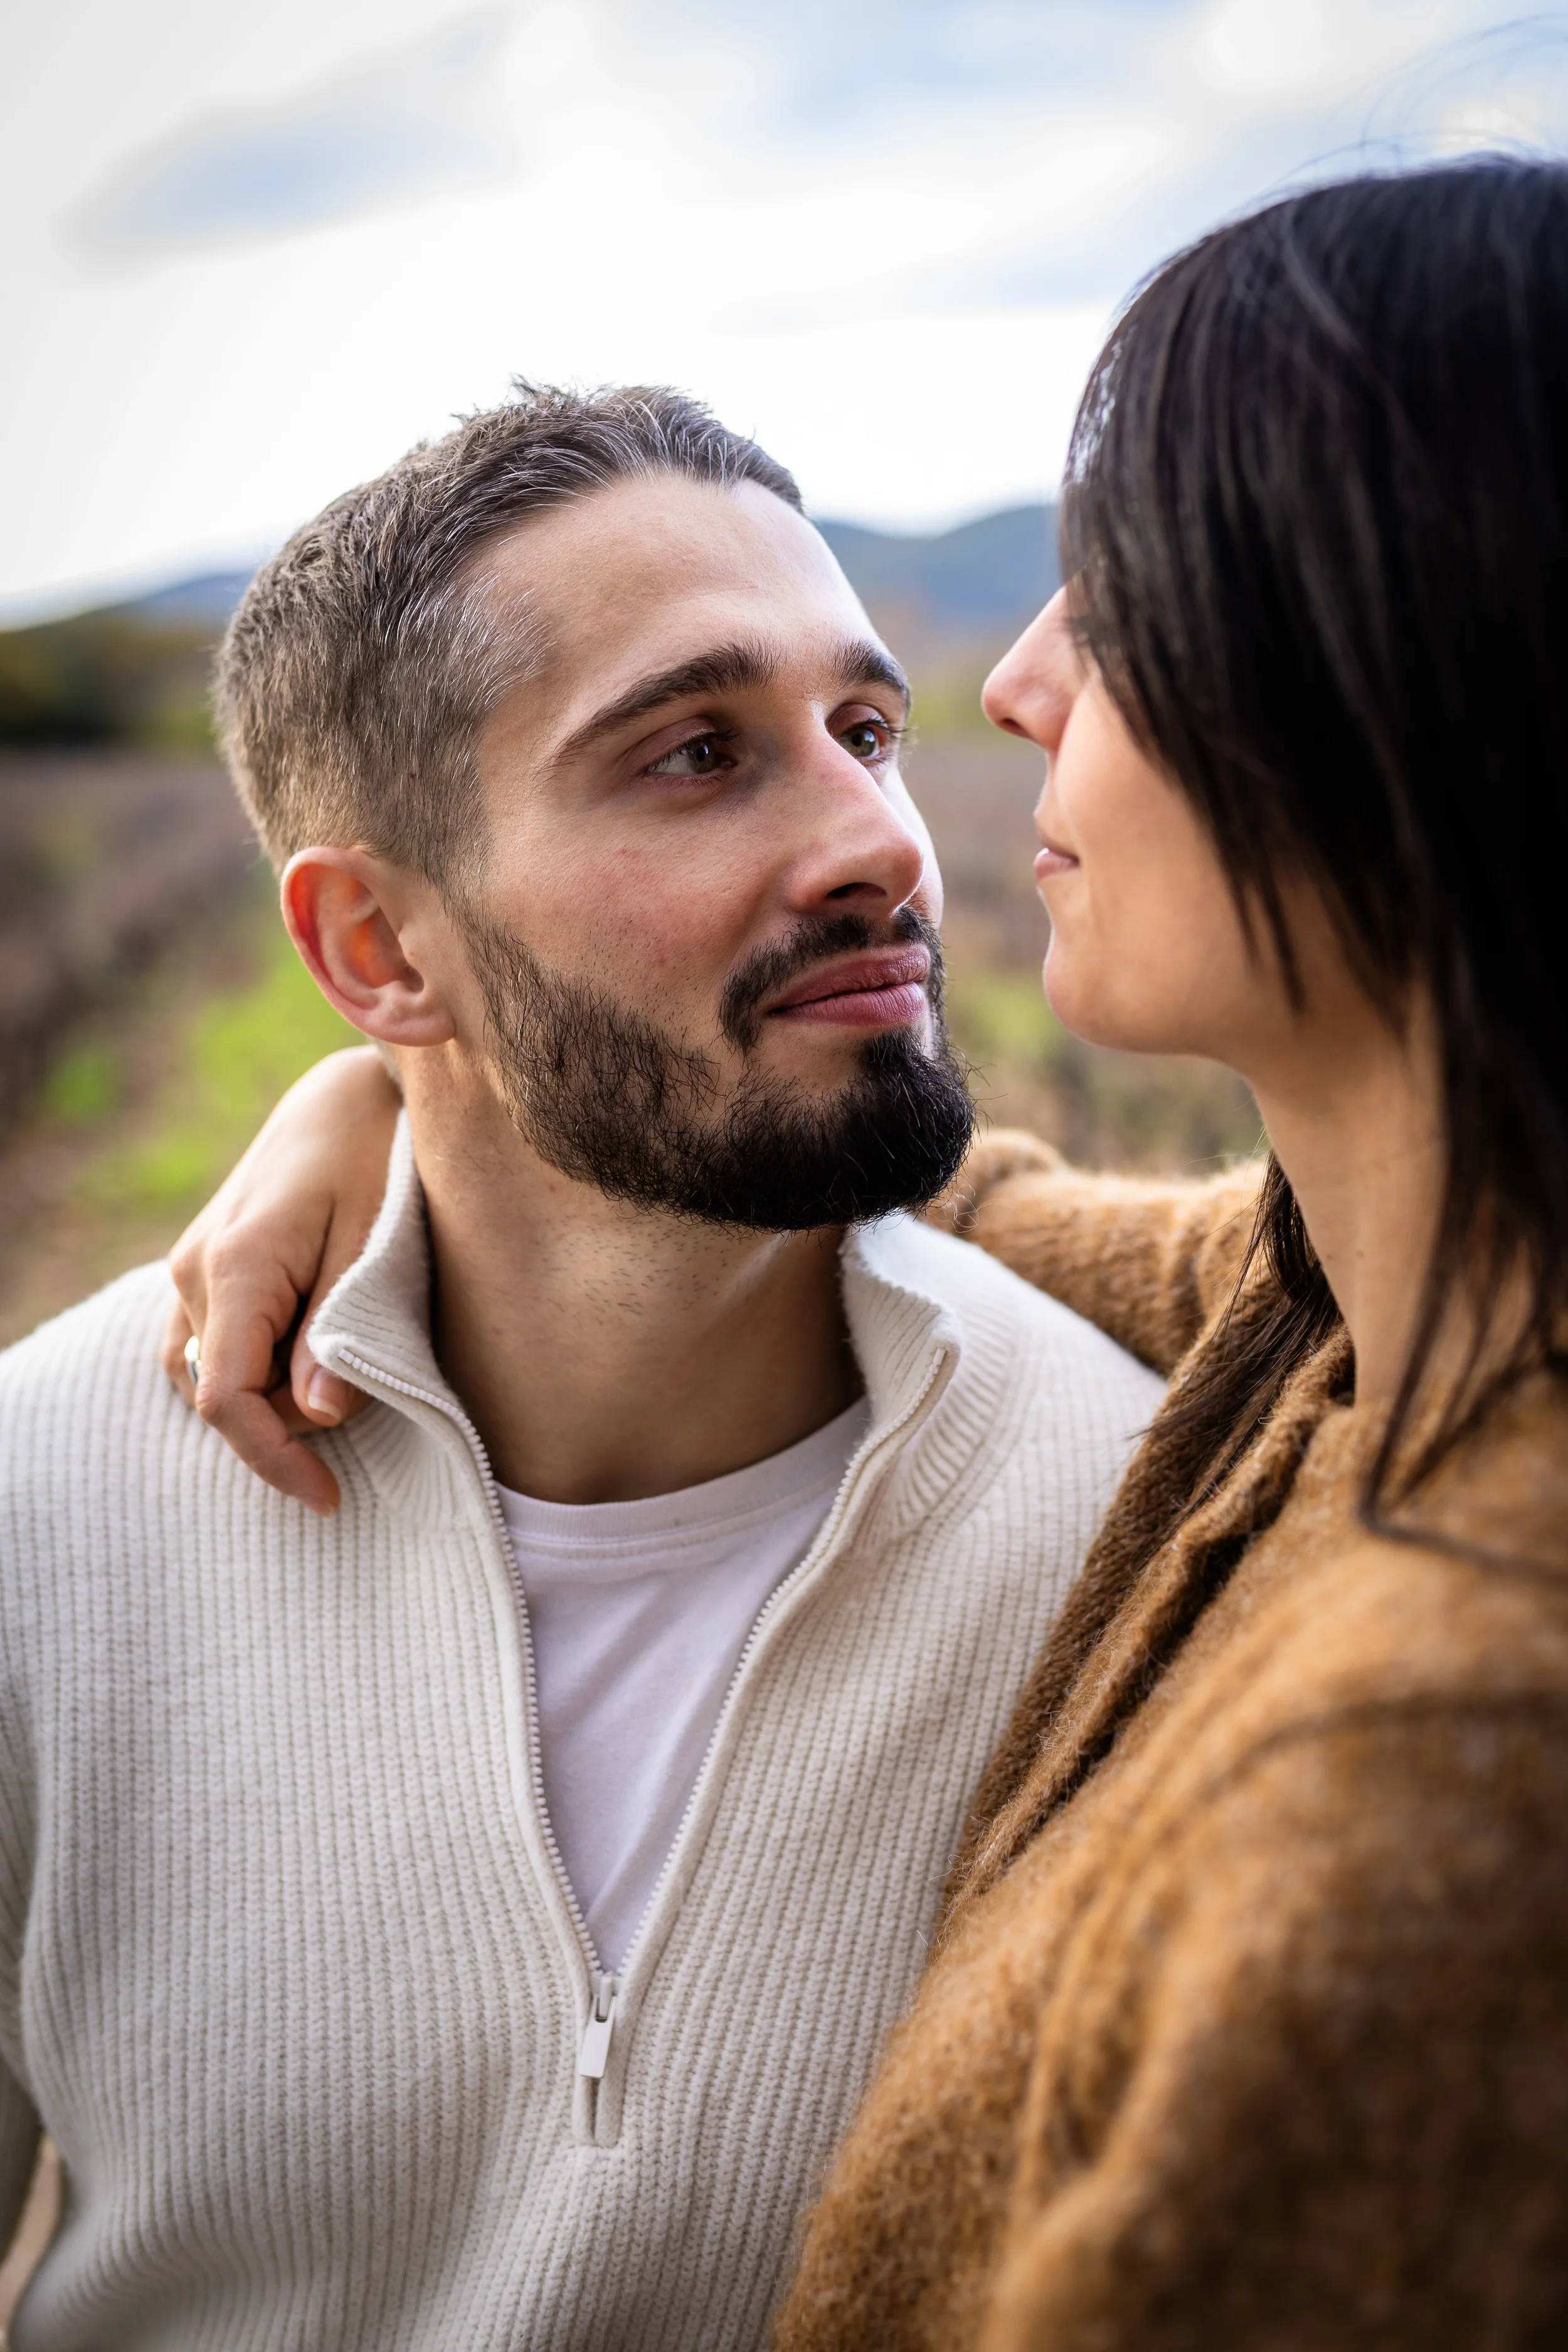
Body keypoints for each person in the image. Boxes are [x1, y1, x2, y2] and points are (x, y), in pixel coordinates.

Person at [171, 156, 1568, 2348]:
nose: (1009, 690)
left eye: (1136, 588)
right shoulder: (1351, 1327)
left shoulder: (1442, 1761)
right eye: (698, 752)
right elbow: (979, 1194)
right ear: (372, 937)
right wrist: (409, 1083)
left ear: (1427, 664)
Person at [0, 389, 1160, 2351]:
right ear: (378, 947)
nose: (879, 840)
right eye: (697, 753)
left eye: (864, 731)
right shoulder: (42, 1510)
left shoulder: (1134, 1519)